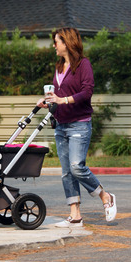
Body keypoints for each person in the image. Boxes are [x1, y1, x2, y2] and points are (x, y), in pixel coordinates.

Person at [37, 28, 117, 228]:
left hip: (79, 123)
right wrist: (48, 101)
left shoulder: (83, 64)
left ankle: (105, 196)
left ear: (67, 42)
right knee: (66, 171)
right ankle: (75, 215)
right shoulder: (59, 66)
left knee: (76, 166)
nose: (54, 45)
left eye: (56, 41)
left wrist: (63, 100)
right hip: (61, 124)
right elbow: (59, 94)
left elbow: (87, 91)